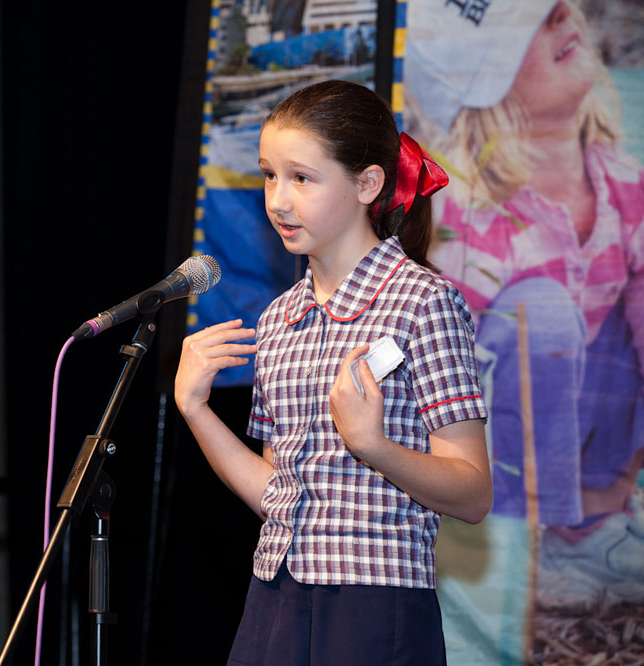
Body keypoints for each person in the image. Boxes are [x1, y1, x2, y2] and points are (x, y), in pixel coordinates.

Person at [174, 80, 492, 665]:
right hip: (275, 594)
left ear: (367, 183)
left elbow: (473, 492)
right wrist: (195, 410)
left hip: (376, 600)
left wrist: (373, 445)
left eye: (302, 177)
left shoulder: (423, 302)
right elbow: (280, 495)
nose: (279, 200)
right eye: (269, 175)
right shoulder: (279, 319)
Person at [407, 0, 644, 608]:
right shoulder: (470, 221)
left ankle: (603, 508)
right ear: (489, 94)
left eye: (556, 6)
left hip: (592, 432)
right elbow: (436, 363)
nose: (566, 13)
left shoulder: (625, 186)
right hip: (496, 449)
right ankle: (543, 536)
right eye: (532, 25)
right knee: (542, 313)